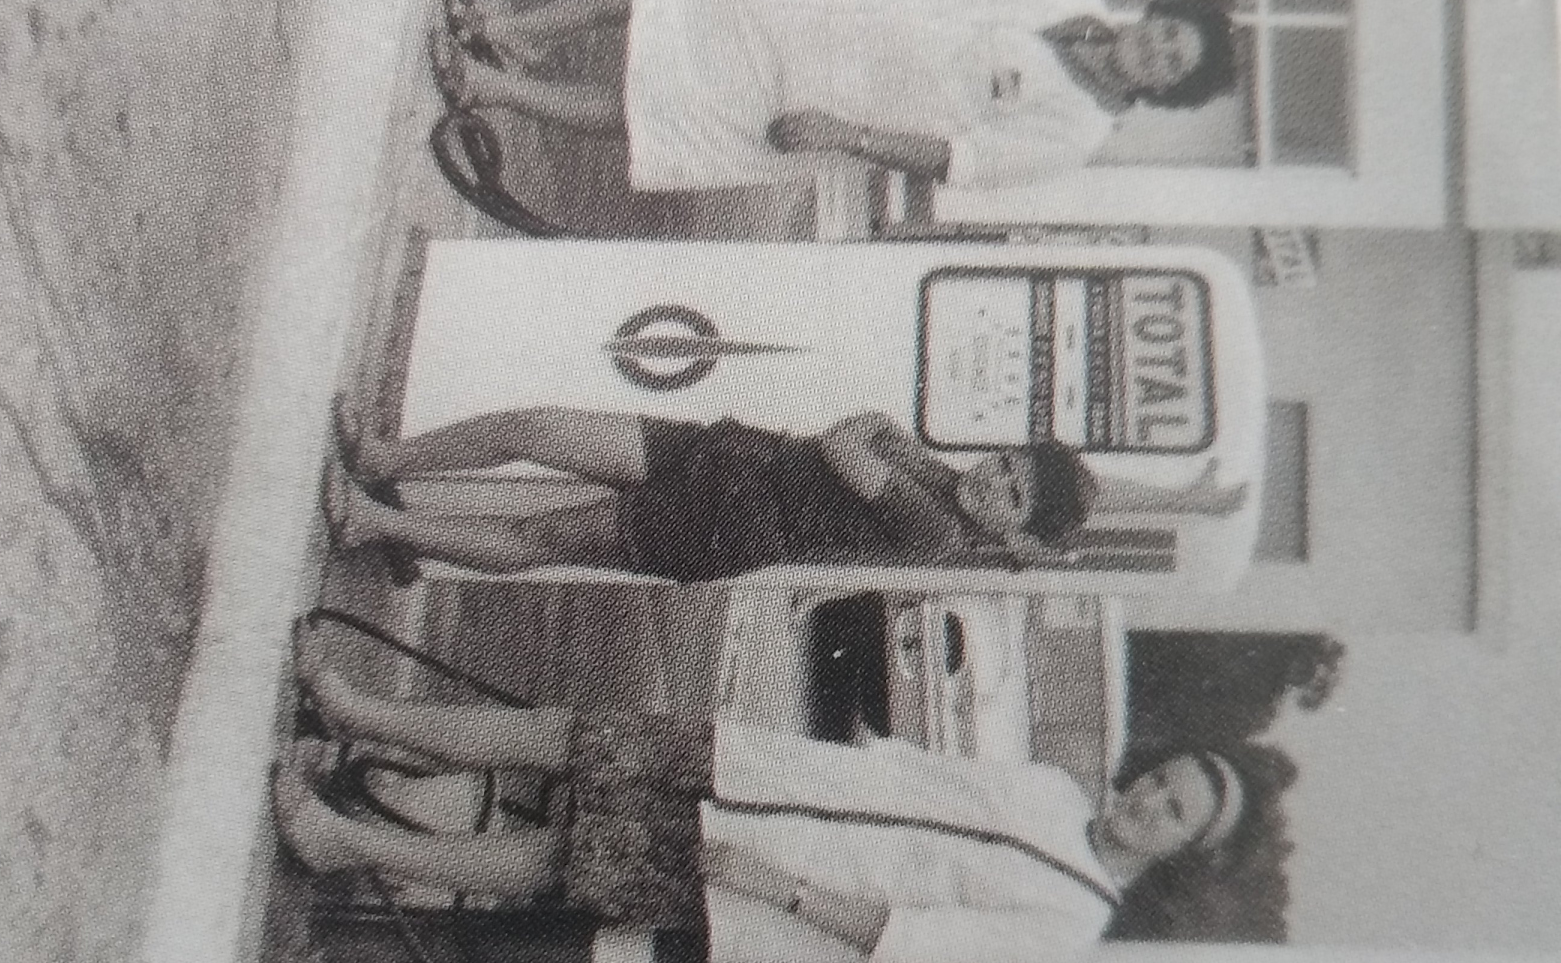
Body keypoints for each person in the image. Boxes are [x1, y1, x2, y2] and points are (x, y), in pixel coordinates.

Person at [274, 617, 1249, 963]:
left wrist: (771, 885)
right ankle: (353, 710)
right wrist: (838, 755)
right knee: (561, 736)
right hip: (757, 766)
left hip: (759, 877)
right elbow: (919, 774)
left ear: (1178, 853)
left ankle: (339, 843)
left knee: (553, 860)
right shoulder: (1053, 790)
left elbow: (905, 938)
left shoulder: (1069, 927)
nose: (1148, 799)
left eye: (1172, 812)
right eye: (1161, 780)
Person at [434, 0, 1236, 197]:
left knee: (654, 108)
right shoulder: (1070, 0)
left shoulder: (1076, 137)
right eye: (1170, 32)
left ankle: (490, 85)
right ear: (1159, 13)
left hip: (836, 104)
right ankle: (514, 29)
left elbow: (957, 160)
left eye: (1172, 63)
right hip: (830, 8)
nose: (1158, 48)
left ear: (1165, 89)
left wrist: (846, 137)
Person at [322, 397, 1246, 583]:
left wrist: (874, 429)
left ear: (1013, 531)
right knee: (534, 428)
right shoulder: (940, 477)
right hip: (728, 453)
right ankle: (381, 458)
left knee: (539, 540)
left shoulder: (934, 531)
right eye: (1005, 463)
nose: (993, 478)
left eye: (1010, 494)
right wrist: (1184, 498)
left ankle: (367, 521)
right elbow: (854, 442)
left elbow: (847, 440)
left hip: (724, 522)